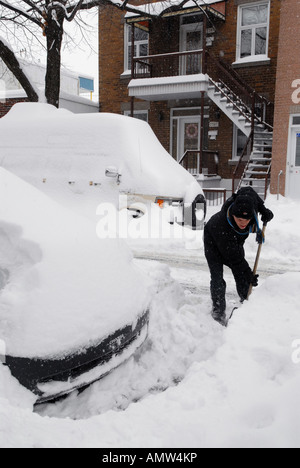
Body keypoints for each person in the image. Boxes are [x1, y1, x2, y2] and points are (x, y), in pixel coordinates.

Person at [204, 186, 274, 326]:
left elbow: (249, 192)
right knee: (217, 277)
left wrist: (264, 210)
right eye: (239, 220)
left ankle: (245, 300)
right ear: (233, 215)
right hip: (214, 241)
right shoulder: (221, 224)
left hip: (235, 242)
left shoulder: (249, 204)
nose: (243, 223)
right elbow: (235, 259)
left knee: (241, 274)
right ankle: (218, 311)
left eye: (247, 220)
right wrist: (249, 273)